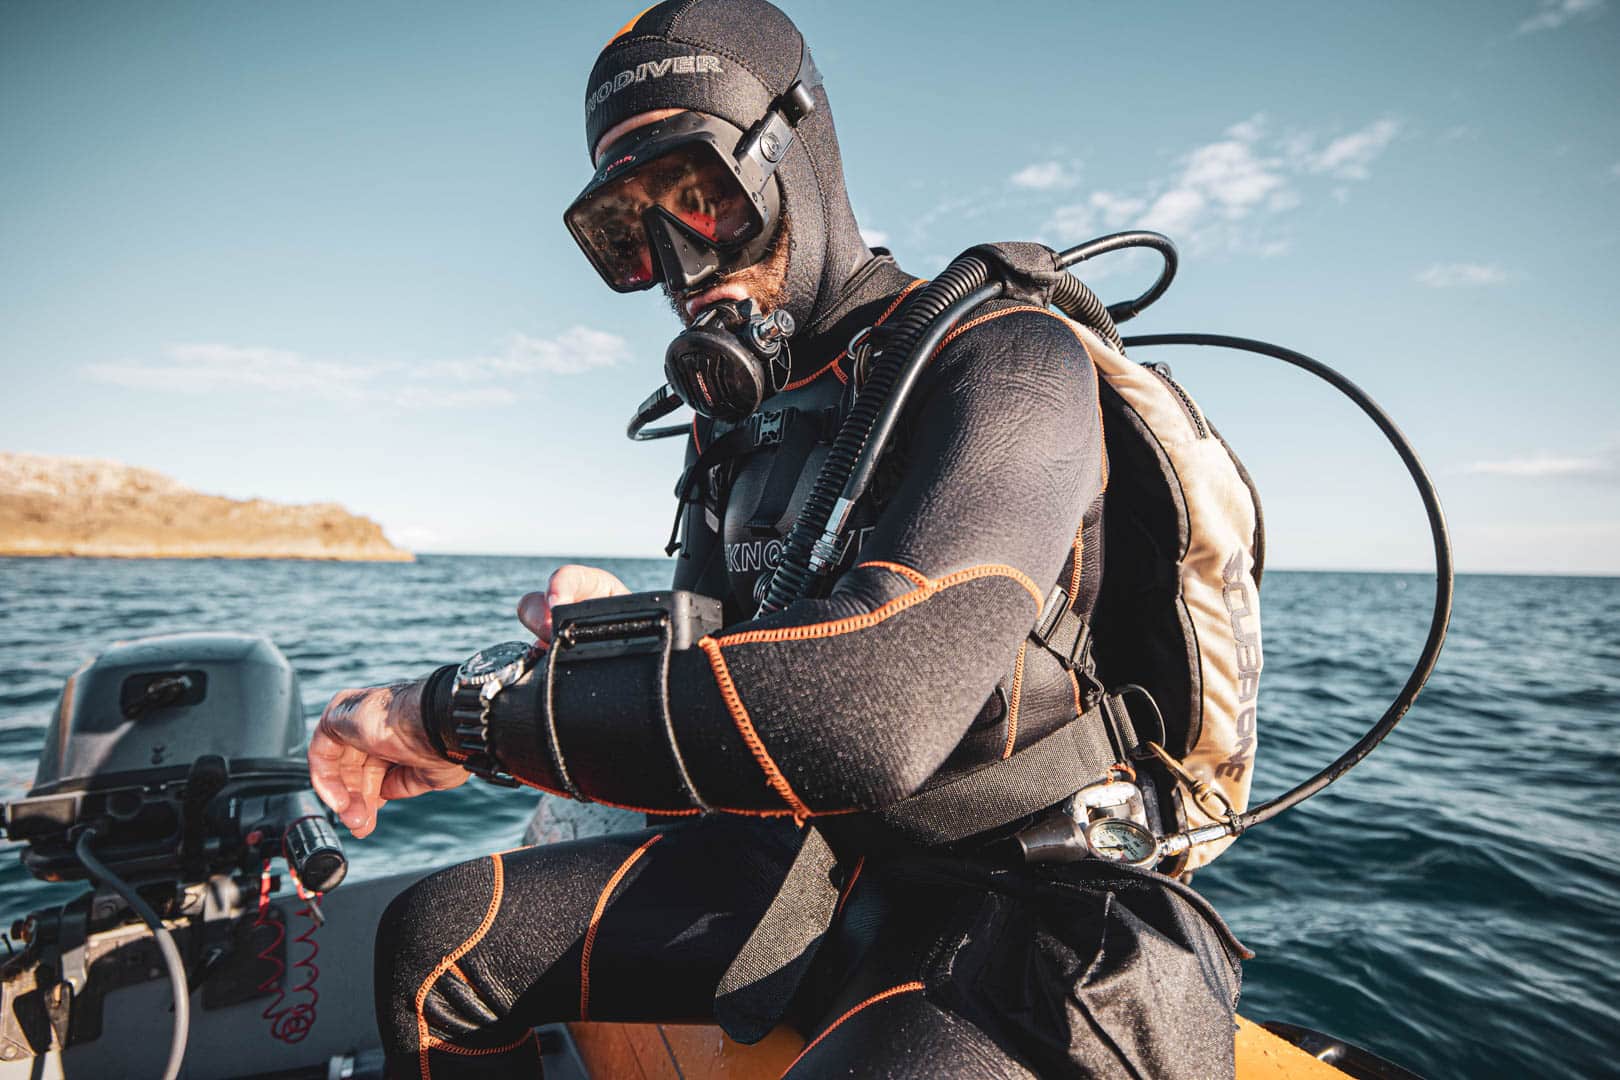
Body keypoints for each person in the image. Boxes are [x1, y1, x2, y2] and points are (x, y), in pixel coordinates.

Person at [309, 2, 1244, 1076]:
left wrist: (454, 714)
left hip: (1028, 904)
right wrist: (586, 654)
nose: (677, 265)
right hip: (817, 866)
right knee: (433, 943)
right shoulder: (734, 426)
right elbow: (727, 702)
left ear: (795, 154)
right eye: (628, 235)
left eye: (700, 199)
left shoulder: (1007, 361)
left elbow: (871, 712)